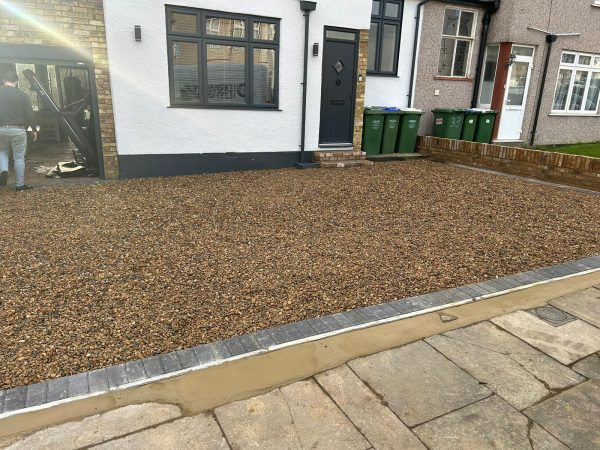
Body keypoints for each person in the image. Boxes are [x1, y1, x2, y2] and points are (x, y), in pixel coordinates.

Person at [0, 71, 38, 191]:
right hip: (18, 129)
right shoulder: (22, 95)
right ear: (16, 82)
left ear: (3, 80)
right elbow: (31, 115)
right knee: (19, 157)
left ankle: (4, 170)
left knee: (2, 151)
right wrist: (34, 130)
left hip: (1, 129)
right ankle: (20, 185)